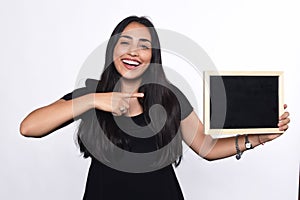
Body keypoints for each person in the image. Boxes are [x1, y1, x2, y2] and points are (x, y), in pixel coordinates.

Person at [20, 16, 290, 200]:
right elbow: (29, 127)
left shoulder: (170, 98)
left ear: (153, 56)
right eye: (125, 43)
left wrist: (257, 138)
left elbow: (207, 147)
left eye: (144, 46)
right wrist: (94, 100)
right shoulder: (90, 95)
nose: (133, 52)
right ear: (112, 50)